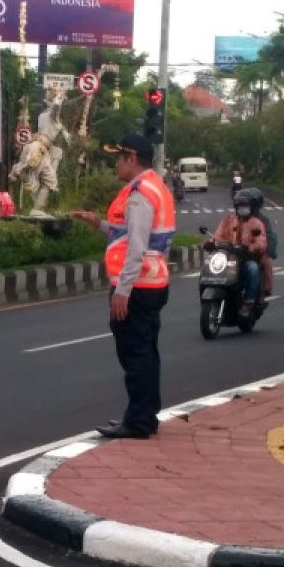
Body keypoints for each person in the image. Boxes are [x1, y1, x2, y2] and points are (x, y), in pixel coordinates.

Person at [71, 133, 174, 441]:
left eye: (118, 158)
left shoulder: (142, 193)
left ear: (131, 159)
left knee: (135, 354)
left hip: (138, 284)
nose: (115, 164)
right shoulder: (156, 186)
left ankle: (139, 420)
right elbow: (128, 234)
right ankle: (145, 414)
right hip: (153, 281)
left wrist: (123, 291)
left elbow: (137, 246)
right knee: (147, 352)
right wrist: (97, 223)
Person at [208, 190, 268, 319]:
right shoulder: (227, 220)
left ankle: (248, 302)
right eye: (240, 206)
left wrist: (251, 247)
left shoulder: (256, 223)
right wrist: (210, 243)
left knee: (252, 268)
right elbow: (217, 236)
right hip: (228, 258)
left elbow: (261, 242)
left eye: (245, 206)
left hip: (245, 259)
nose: (242, 208)